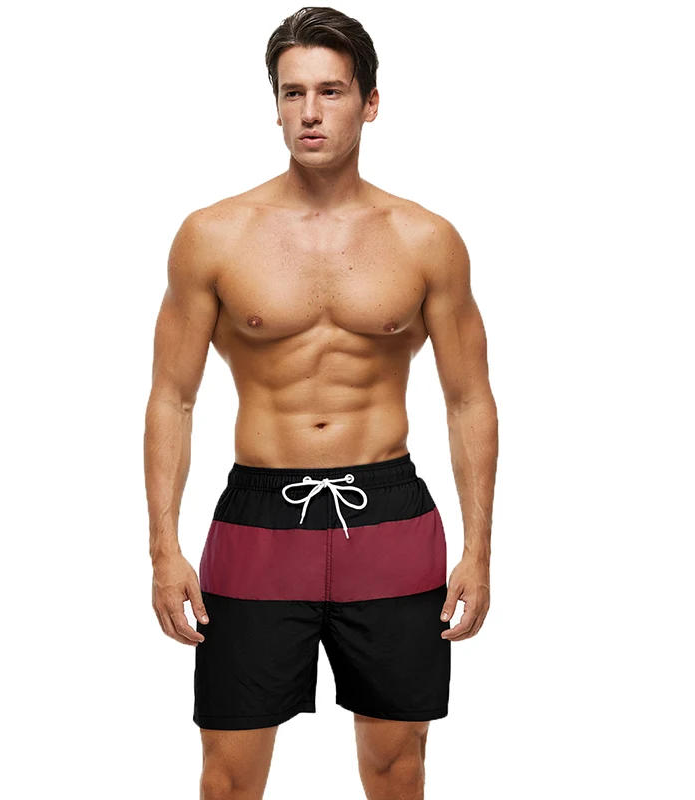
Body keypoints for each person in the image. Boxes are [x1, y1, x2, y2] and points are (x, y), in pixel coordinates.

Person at [144, 6, 497, 799]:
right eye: (292, 92)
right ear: (274, 105)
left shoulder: (425, 239)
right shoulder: (213, 235)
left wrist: (478, 548)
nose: (310, 111)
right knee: (227, 777)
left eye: (331, 91)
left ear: (370, 103)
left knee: (397, 766)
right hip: (258, 521)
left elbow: (468, 398)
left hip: (391, 517)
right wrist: (164, 549)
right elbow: (172, 397)